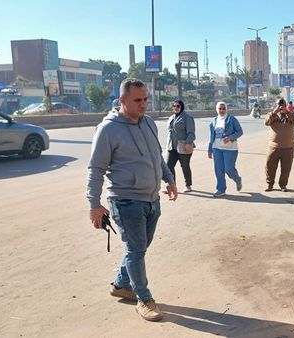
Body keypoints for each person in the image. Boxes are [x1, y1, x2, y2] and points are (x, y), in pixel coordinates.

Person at [87, 78, 178, 322]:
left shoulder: (148, 123)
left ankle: (120, 284)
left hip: (151, 199)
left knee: (138, 248)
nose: (144, 104)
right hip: (126, 201)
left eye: (146, 99)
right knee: (137, 249)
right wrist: (94, 205)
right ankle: (144, 299)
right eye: (138, 100)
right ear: (122, 101)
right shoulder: (108, 130)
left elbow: (157, 156)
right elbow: (96, 169)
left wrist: (169, 179)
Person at [208, 101, 243, 197]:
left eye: (223, 108)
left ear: (226, 109)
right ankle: (221, 189)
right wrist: (209, 149)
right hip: (216, 148)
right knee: (218, 170)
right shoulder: (213, 121)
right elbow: (211, 136)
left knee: (229, 169)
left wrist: (230, 137)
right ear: (217, 109)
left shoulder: (232, 119)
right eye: (220, 108)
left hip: (230, 149)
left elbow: (240, 132)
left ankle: (237, 179)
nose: (222, 110)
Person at [264, 98, 294, 192]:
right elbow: (266, 122)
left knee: (286, 168)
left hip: (288, 147)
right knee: (270, 166)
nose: (280, 107)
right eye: (279, 105)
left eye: (282, 105)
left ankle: (283, 185)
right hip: (273, 147)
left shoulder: (290, 115)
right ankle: (270, 184)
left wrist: (287, 112)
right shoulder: (272, 115)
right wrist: (274, 112)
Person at [166, 99, 196, 193]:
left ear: (182, 107)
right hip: (172, 146)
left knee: (185, 166)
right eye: (174, 106)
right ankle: (172, 185)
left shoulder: (187, 118)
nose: (176, 108)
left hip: (183, 146)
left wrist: (188, 143)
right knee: (168, 166)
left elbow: (191, 133)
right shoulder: (171, 117)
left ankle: (188, 185)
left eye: (178, 106)